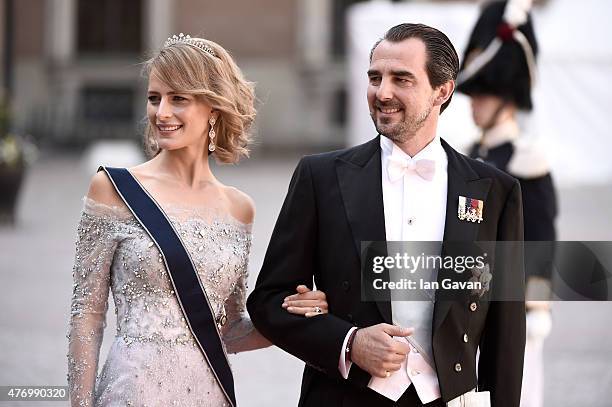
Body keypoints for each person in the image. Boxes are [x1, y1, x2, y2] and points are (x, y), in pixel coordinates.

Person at [248, 23, 525, 407]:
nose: (383, 92)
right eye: (375, 77)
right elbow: (267, 302)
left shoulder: (496, 191)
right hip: (343, 398)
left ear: (442, 90)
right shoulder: (320, 176)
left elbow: (506, 331)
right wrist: (349, 343)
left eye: (401, 79)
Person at [66, 34, 329, 407]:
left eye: (179, 99)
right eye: (155, 98)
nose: (161, 113)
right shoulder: (113, 188)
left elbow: (230, 331)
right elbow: (86, 317)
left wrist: (293, 316)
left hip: (209, 393)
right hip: (132, 392)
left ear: (214, 109)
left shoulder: (239, 208)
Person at [455, 2, 557, 407]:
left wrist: (537, 307)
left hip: (515, 313)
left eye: (484, 94)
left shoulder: (527, 161)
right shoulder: (470, 154)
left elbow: (541, 239)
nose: (473, 103)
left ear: (507, 98)